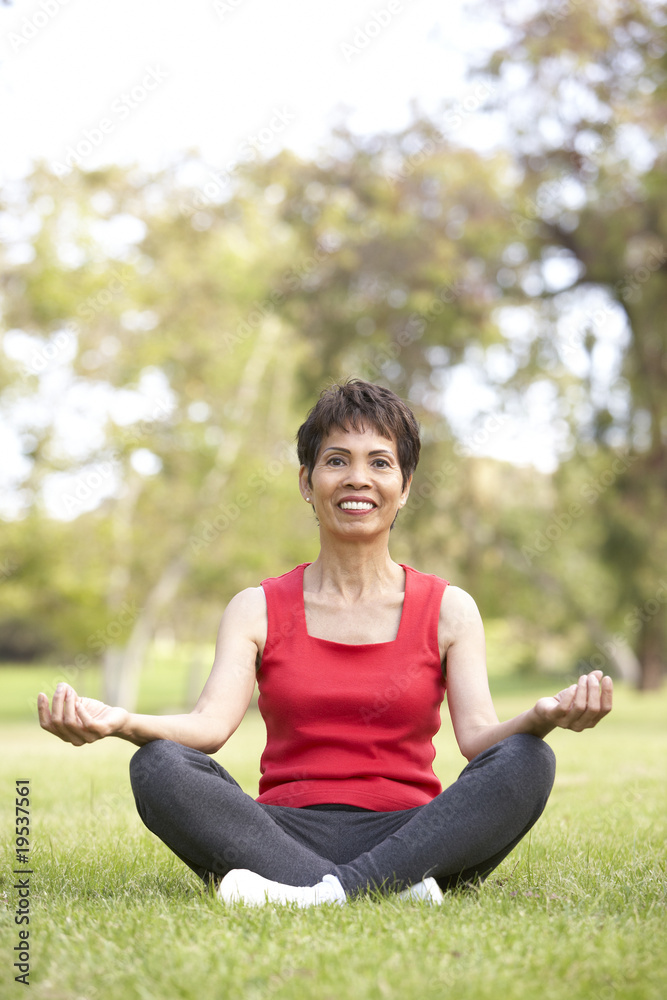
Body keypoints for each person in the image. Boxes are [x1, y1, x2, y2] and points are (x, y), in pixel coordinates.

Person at [38, 378, 613, 907]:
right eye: (336, 461)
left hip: (412, 831)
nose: (357, 478)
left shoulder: (450, 609)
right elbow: (208, 729)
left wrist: (540, 718)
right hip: (282, 830)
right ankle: (386, 889)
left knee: (528, 759)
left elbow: (479, 742)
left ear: (404, 487)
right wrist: (120, 721)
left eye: (380, 463)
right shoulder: (257, 607)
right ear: (307, 482)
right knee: (159, 765)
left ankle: (319, 891)